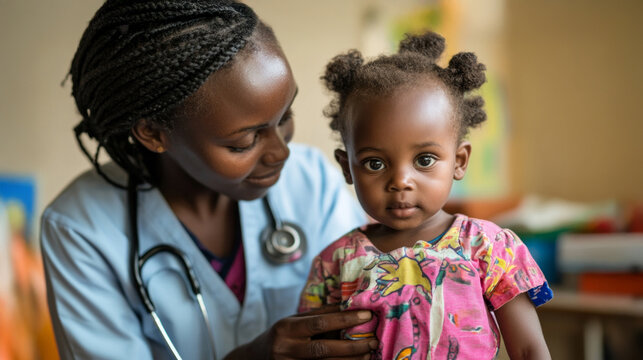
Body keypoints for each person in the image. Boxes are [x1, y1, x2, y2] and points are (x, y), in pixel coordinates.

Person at [41, 1, 381, 359]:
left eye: (285, 116)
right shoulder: (81, 228)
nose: (280, 152)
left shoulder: (311, 181)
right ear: (153, 133)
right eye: (244, 142)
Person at [298, 31, 554, 359]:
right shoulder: (332, 264)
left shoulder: (489, 249)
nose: (401, 181)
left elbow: (530, 349)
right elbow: (312, 350)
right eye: (374, 163)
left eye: (424, 160)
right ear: (347, 168)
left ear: (459, 161)